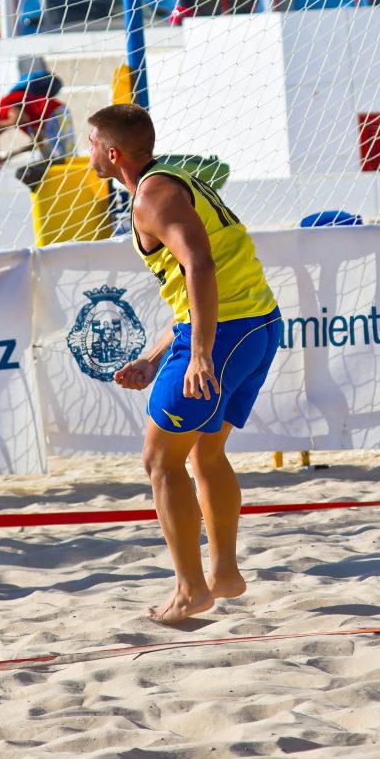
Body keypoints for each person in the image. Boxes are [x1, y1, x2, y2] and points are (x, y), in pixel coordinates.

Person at [87, 104, 281, 626]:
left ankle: (191, 589)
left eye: (90, 144)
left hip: (227, 334)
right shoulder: (173, 179)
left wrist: (198, 353)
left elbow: (200, 263)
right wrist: (154, 358)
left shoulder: (152, 197)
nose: (86, 153)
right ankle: (222, 574)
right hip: (257, 324)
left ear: (111, 153)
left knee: (159, 461)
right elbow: (191, 283)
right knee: (204, 455)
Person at [0, 69, 76, 183]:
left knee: (67, 157)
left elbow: (20, 118)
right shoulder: (17, 120)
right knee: (55, 159)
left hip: (55, 112)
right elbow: (37, 139)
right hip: (51, 117)